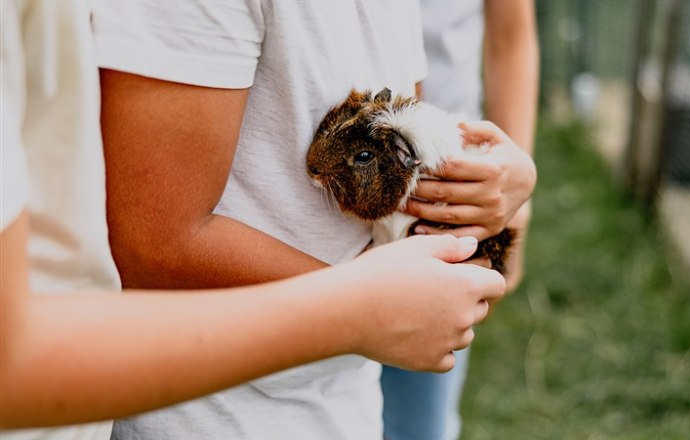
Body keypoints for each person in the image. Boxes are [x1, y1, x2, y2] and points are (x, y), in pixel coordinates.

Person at [0, 1, 511, 438]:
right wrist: (365, 309)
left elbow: (400, 129)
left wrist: (481, 179)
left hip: (343, 401)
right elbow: (151, 243)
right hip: (213, 413)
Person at [380, 1, 540, 439]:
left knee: (419, 422)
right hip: (323, 201)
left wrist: (516, 206)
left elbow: (511, 37)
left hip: (450, 196)